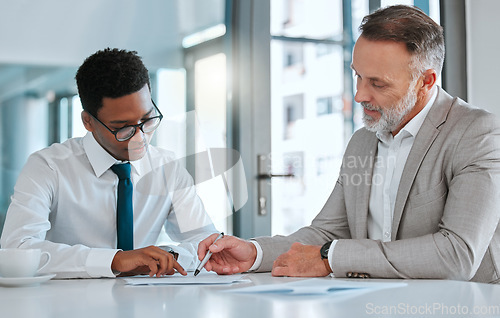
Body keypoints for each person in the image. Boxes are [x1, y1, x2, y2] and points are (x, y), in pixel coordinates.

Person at [197, 5, 500, 283]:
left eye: (377, 83)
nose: (359, 95)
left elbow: (457, 254)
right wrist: (254, 252)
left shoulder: (476, 134)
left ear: (426, 81)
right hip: (374, 303)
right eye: (358, 77)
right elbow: (327, 232)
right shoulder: (363, 140)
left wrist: (331, 258)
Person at [0, 48, 218, 279]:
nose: (139, 137)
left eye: (147, 119)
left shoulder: (168, 168)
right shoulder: (47, 167)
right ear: (88, 122)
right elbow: (17, 249)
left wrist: (167, 256)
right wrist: (114, 260)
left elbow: (209, 245)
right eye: (122, 127)